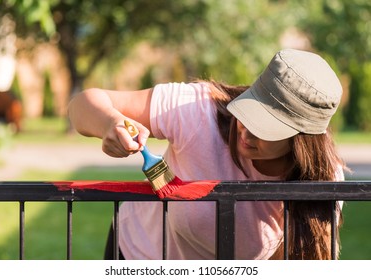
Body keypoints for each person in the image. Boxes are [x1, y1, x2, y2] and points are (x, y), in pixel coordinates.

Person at [68, 48, 346, 260]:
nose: (246, 133)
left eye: (265, 129)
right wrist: (109, 123)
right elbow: (83, 104)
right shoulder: (197, 109)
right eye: (247, 112)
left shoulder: (325, 182)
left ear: (302, 140)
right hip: (141, 256)